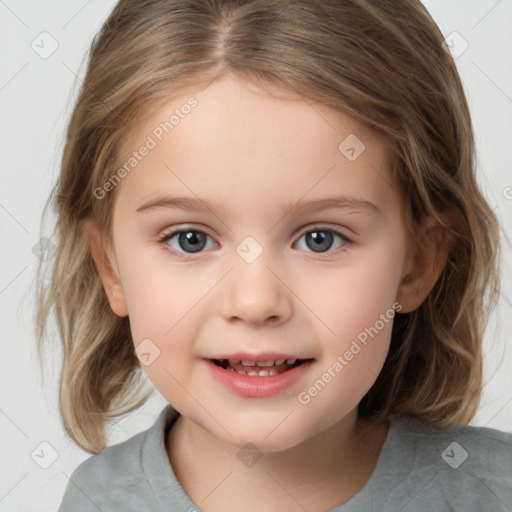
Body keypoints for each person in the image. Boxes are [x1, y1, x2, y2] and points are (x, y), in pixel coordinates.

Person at [35, 0, 512, 510]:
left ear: (417, 264)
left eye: (320, 238)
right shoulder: (97, 500)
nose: (255, 300)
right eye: (190, 239)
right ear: (110, 267)